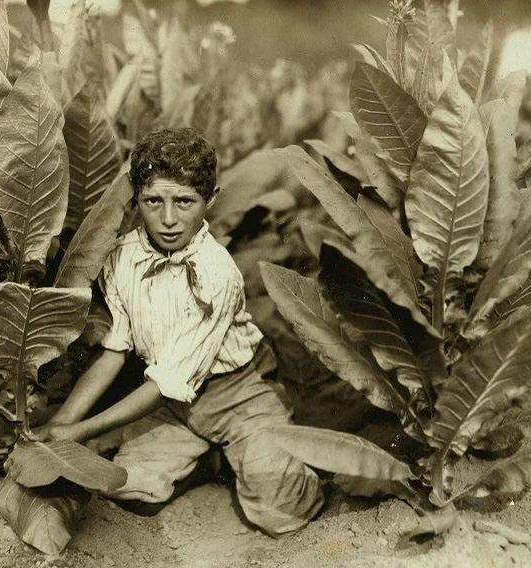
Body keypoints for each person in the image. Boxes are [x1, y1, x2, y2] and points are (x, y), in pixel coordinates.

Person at [31, 127, 323, 537]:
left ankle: (266, 451)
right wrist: (60, 423)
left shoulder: (217, 273)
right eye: (154, 201)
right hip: (175, 404)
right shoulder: (121, 258)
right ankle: (209, 462)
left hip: (240, 394)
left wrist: (76, 432)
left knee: (281, 512)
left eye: (185, 202)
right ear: (137, 200)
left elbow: (168, 382)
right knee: (124, 484)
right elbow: (115, 352)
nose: (169, 219)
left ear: (211, 200)